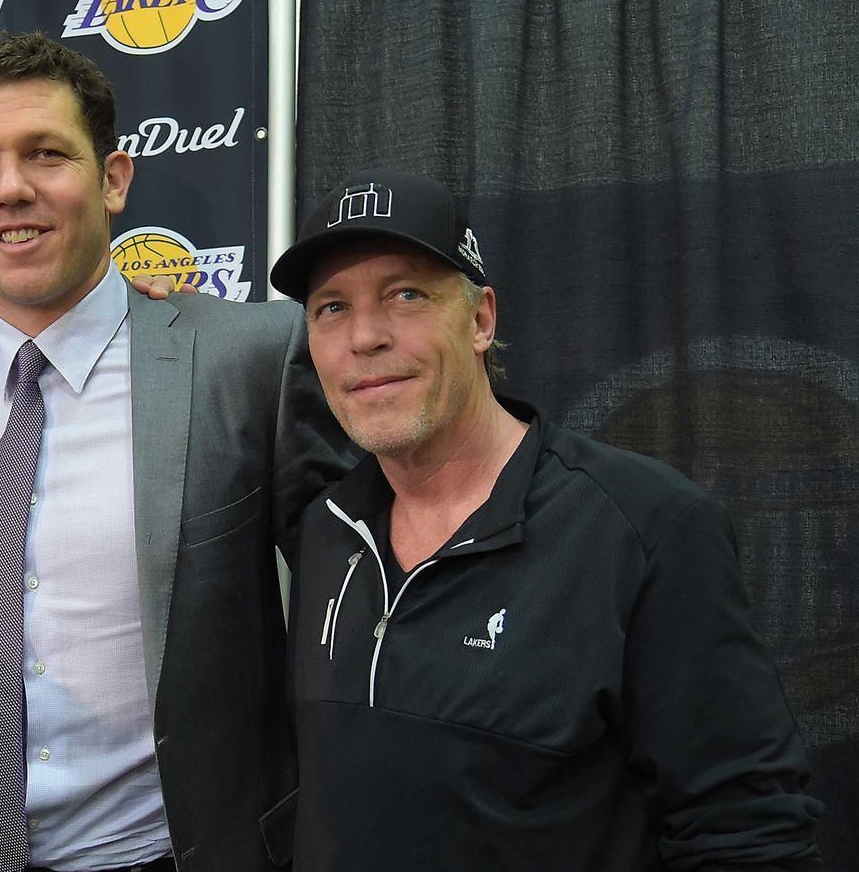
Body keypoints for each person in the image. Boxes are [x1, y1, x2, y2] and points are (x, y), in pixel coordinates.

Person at [0, 33, 349, 872]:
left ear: (113, 178)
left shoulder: (248, 360)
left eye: (46, 154)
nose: (11, 188)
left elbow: (360, 600)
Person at [271, 168, 823, 869]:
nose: (365, 337)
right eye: (331, 308)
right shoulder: (328, 527)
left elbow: (749, 833)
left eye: (406, 295)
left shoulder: (647, 527)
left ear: (480, 320)